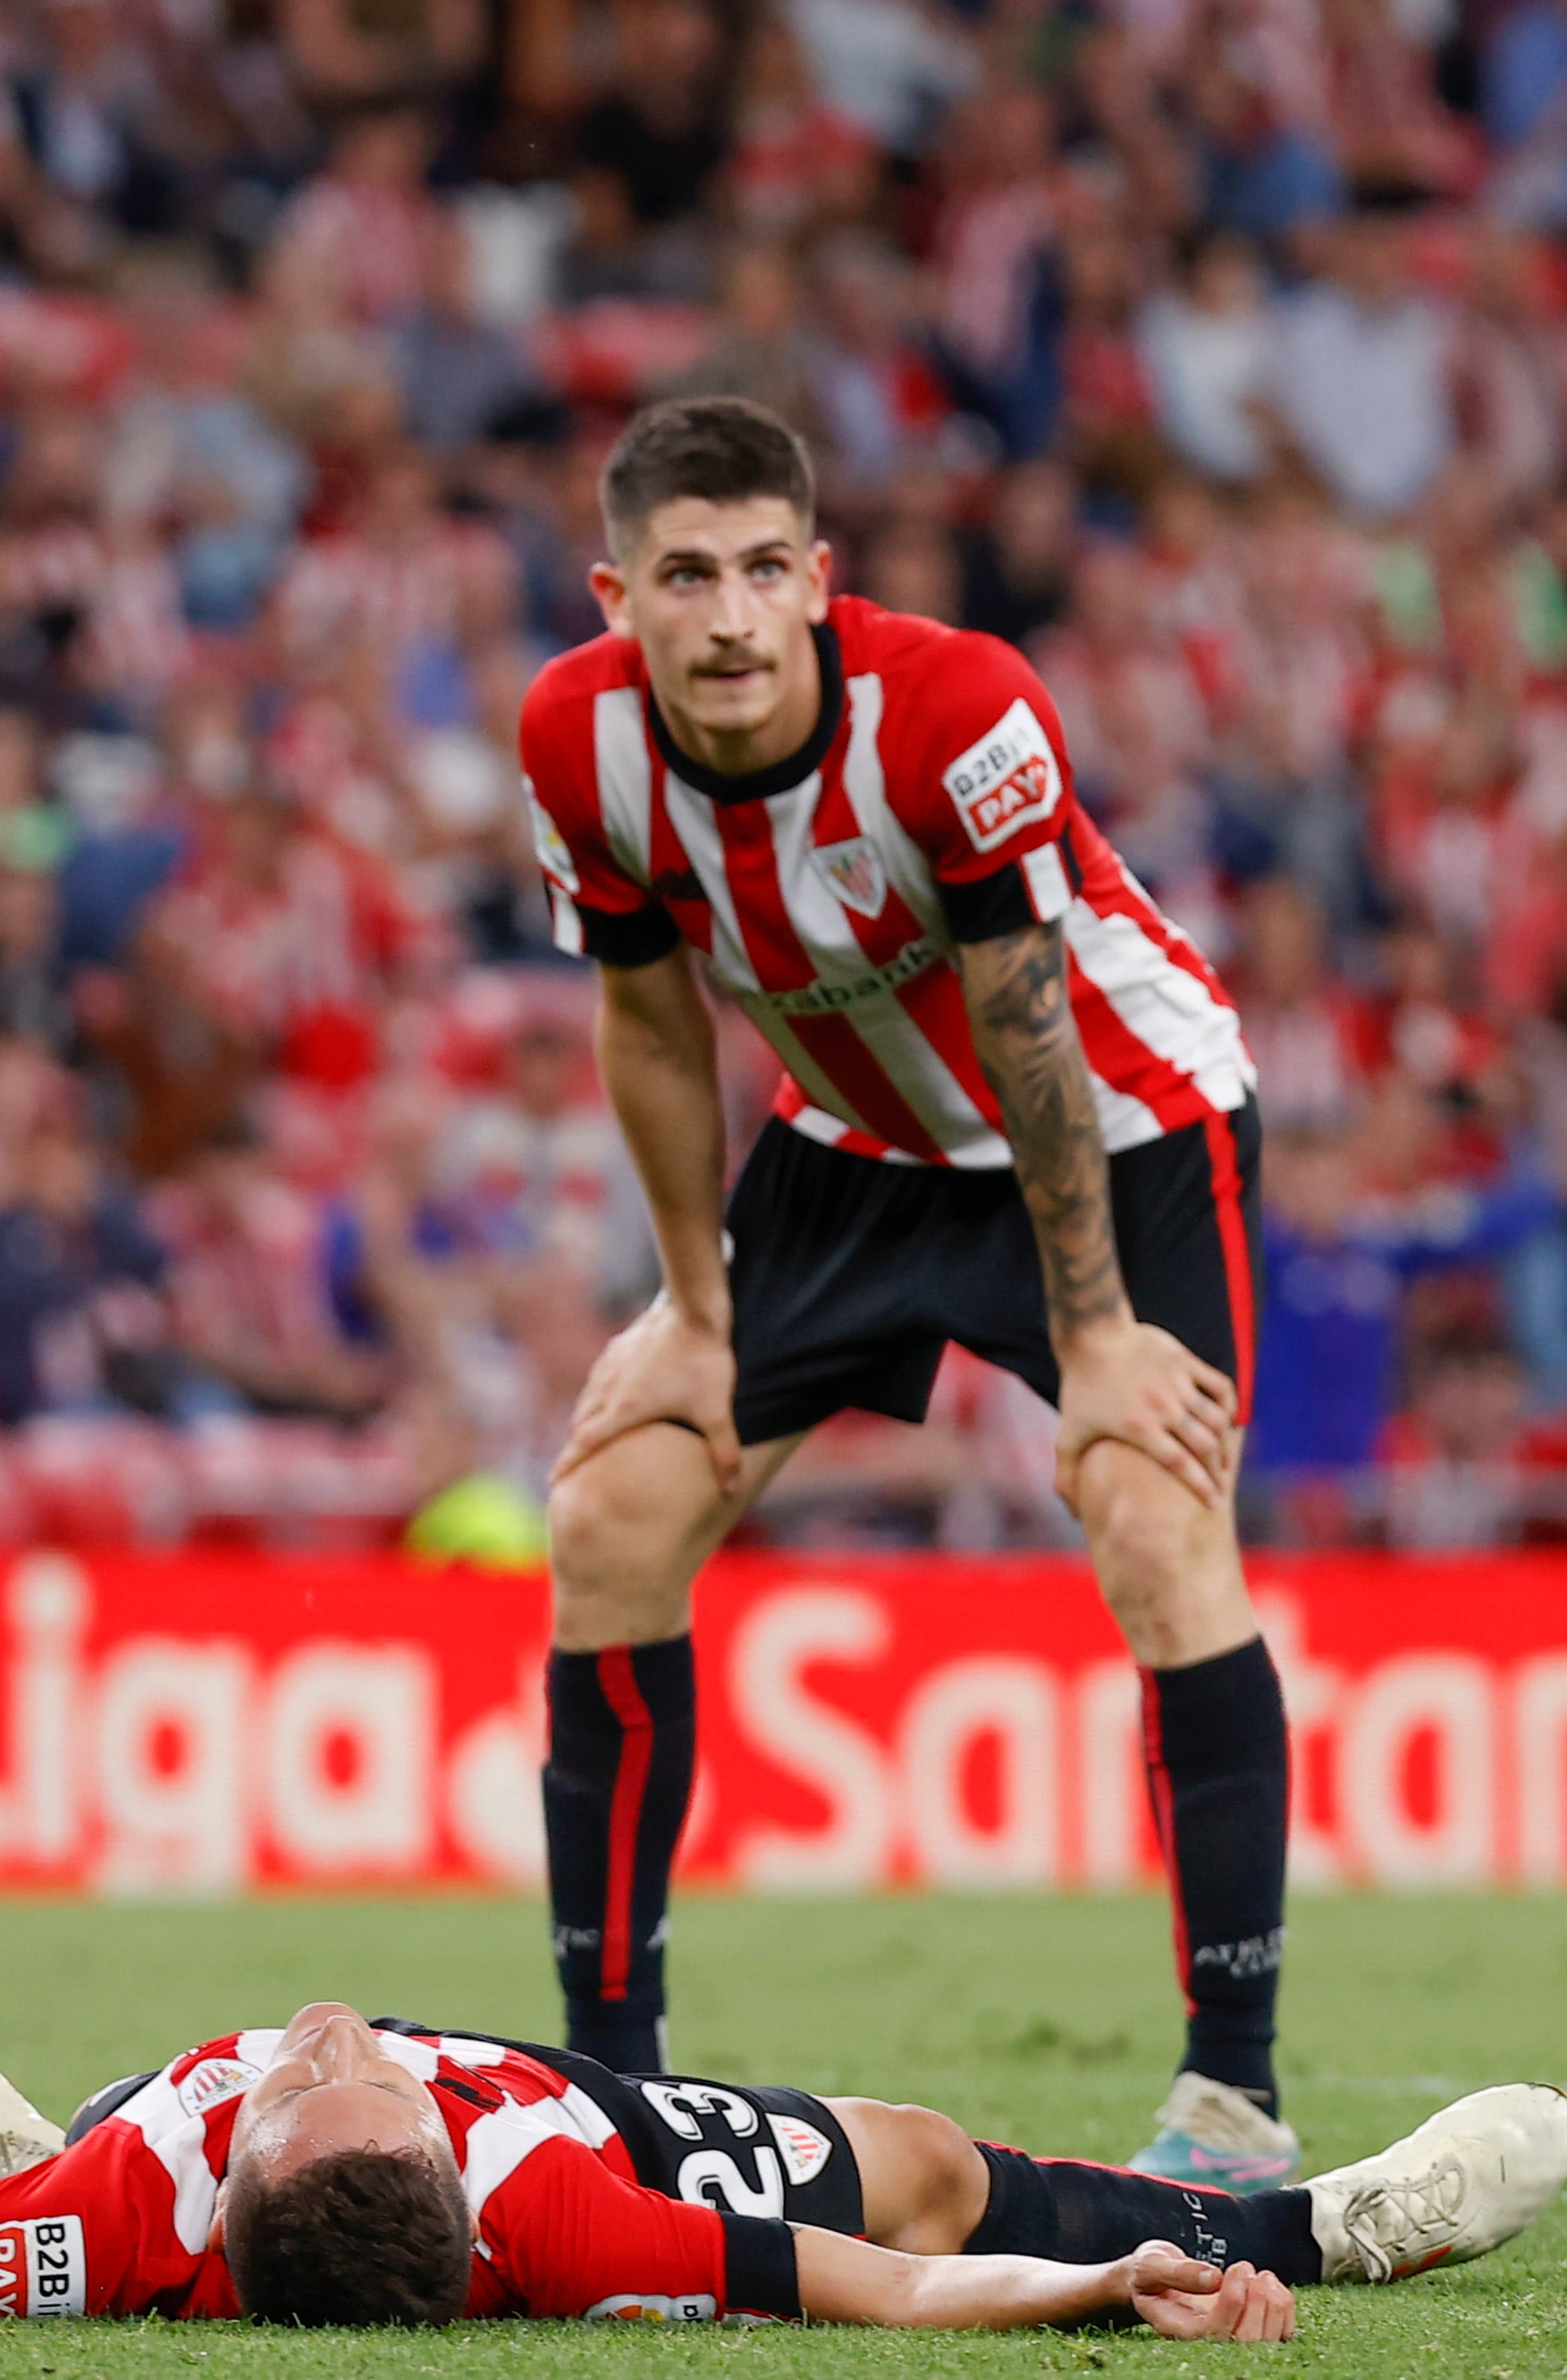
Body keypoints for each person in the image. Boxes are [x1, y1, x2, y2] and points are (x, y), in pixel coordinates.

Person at [511, 398, 1290, 2190]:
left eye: (761, 570)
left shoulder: (952, 707)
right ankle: (616, 2099)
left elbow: (1026, 1023)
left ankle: (1229, 2100)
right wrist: (689, 1308)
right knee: (612, 1515)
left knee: (1152, 1519)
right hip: (851, 1141)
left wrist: (1090, 1339)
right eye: (683, 576)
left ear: (818, 581)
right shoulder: (576, 740)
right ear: (614, 590)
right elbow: (643, 1019)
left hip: (1116, 1124)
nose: (724, 617)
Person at [0, 2001, 1567, 2331]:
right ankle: (1313, 2225)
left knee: (11, 2216)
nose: (341, 2032)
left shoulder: (145, 2198)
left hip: (85, 2178)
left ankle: (5, 2150)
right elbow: (893, 2296)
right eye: (348, 2074)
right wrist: (1108, 2290)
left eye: (322, 2071)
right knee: (909, 2167)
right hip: (605, 2103)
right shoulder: (549, 2204)